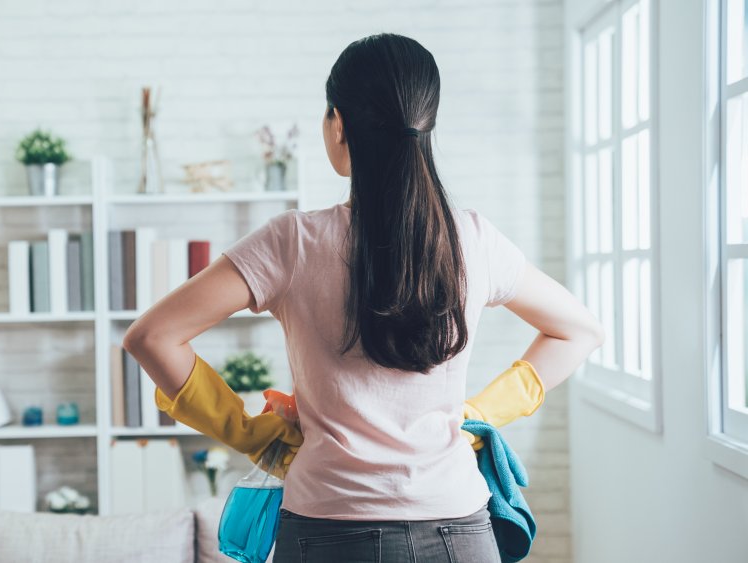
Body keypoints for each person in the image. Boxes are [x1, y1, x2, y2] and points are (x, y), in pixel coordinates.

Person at [122, 32, 604, 563]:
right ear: (426, 128)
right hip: (459, 529)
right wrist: (477, 413)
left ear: (338, 124)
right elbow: (578, 331)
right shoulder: (474, 239)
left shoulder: (292, 242)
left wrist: (249, 432)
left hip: (328, 529)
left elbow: (153, 337)